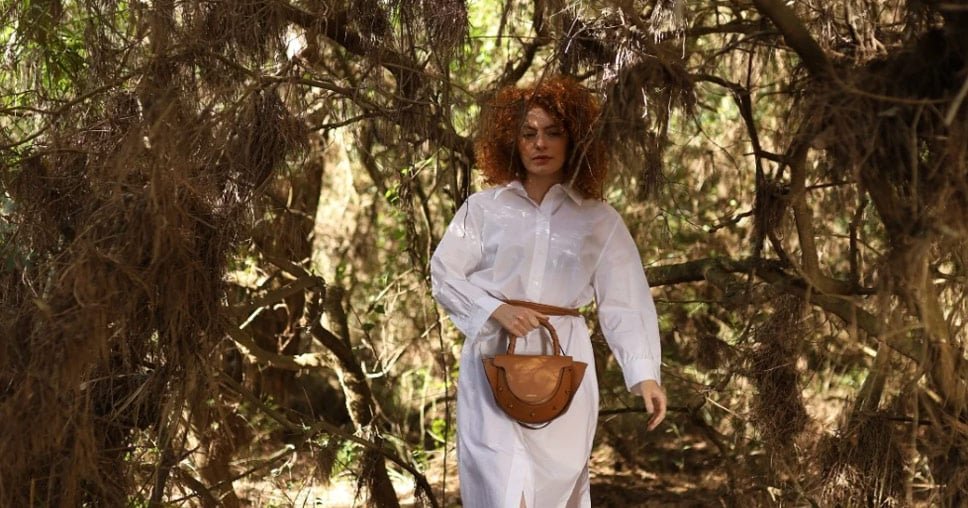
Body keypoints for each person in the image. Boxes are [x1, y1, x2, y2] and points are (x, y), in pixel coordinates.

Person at [430, 75, 666, 508]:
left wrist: (644, 373)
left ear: (574, 139)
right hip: (492, 361)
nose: (540, 143)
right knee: (499, 485)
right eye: (528, 133)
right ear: (511, 141)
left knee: (553, 491)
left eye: (553, 132)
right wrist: (494, 309)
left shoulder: (599, 219)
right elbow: (444, 274)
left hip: (565, 366)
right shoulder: (483, 209)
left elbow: (625, 300)